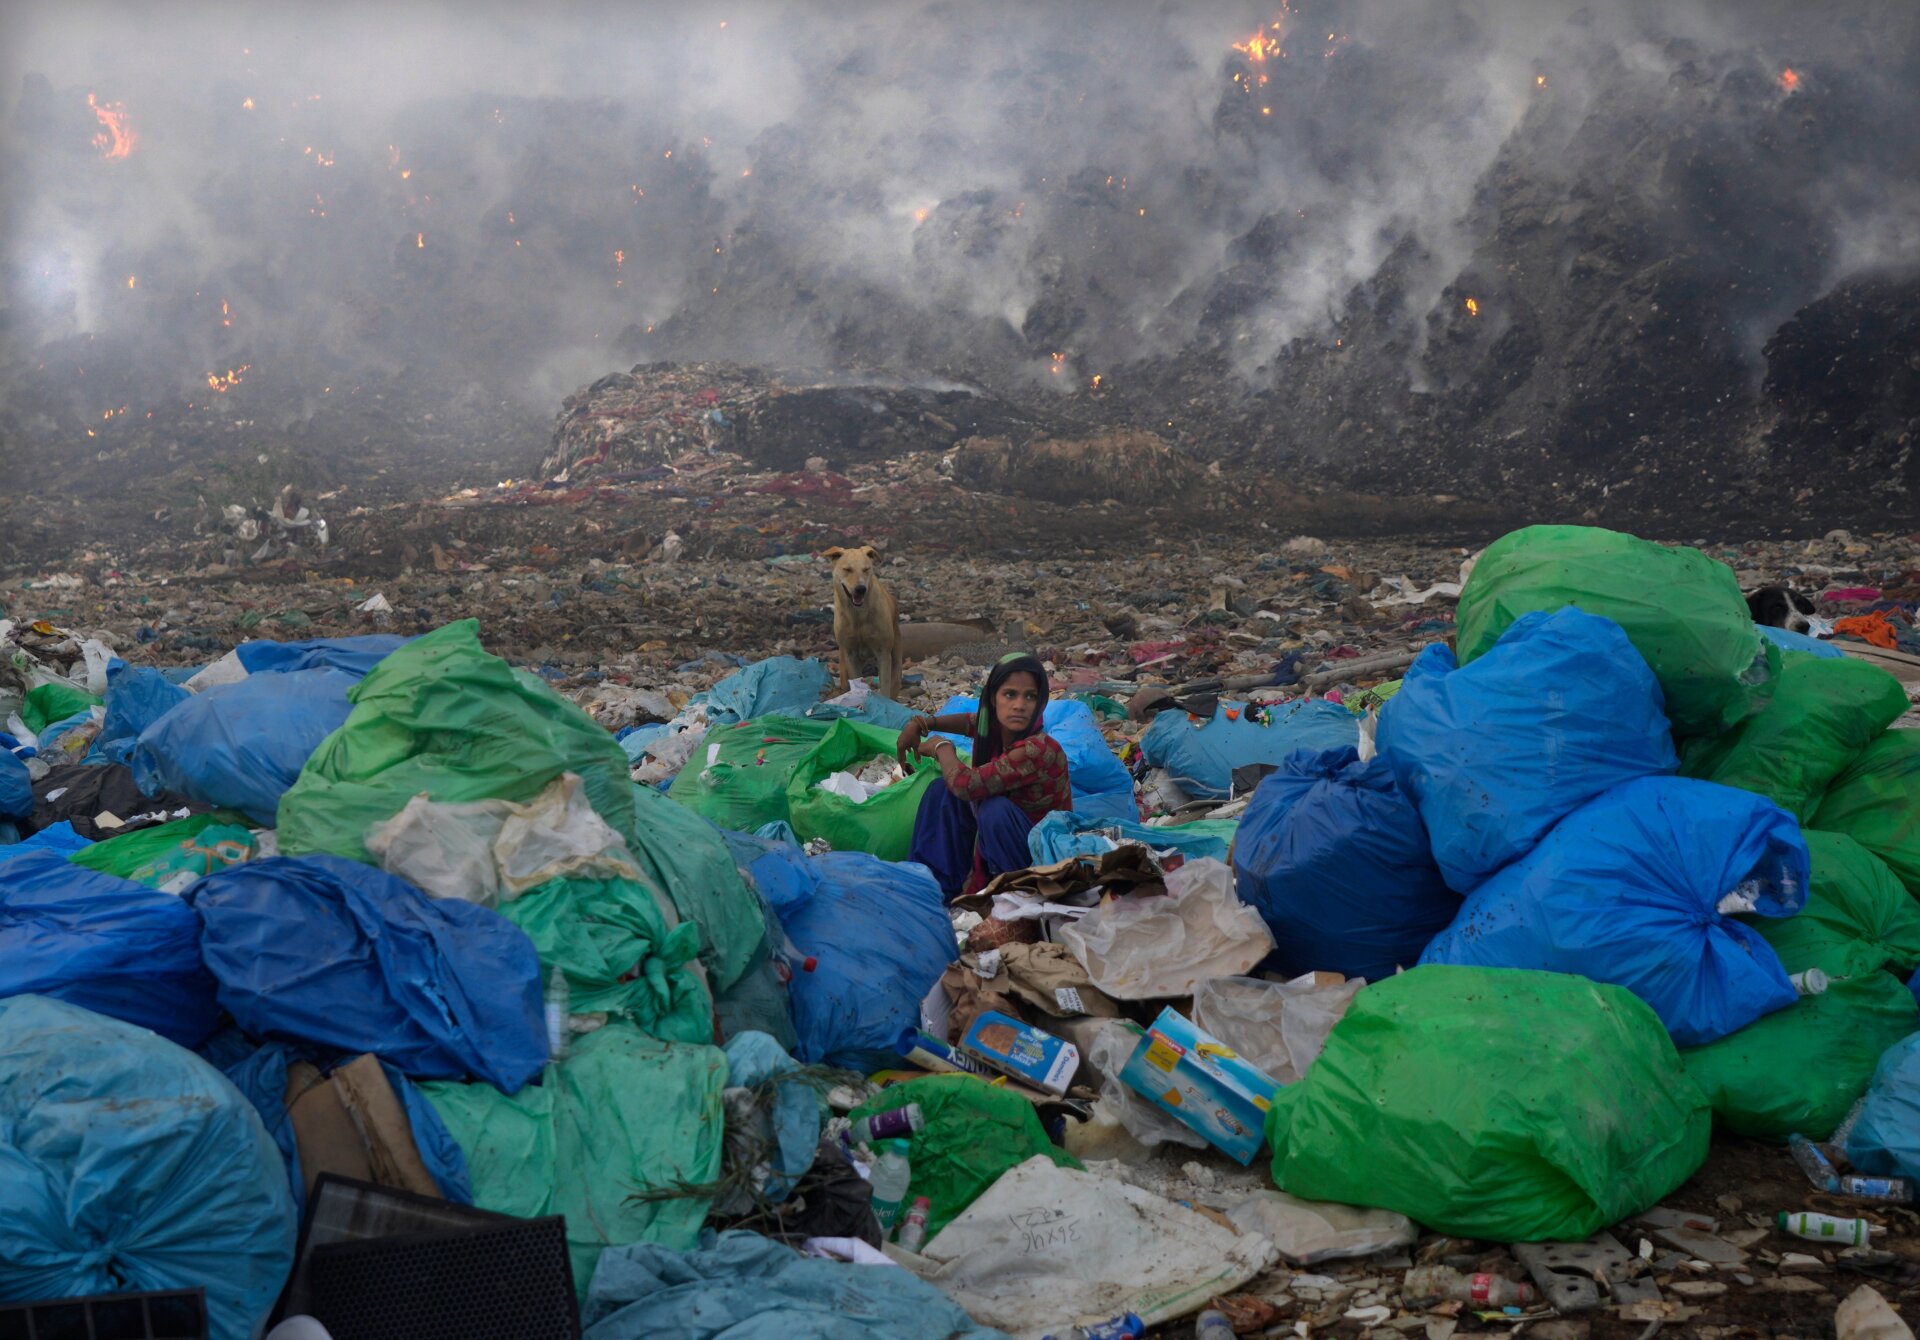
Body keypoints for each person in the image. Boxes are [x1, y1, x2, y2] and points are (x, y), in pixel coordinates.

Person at [897, 653, 1072, 899]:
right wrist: (923, 723)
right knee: (940, 790)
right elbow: (972, 722)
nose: (1019, 705)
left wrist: (942, 748)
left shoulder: (1037, 749)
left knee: (994, 809)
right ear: (993, 697)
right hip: (1010, 837)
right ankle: (934, 886)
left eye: (1030, 696)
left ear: (1041, 702)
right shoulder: (1001, 727)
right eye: (1010, 694)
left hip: (1040, 857)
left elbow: (965, 785)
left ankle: (1004, 895)